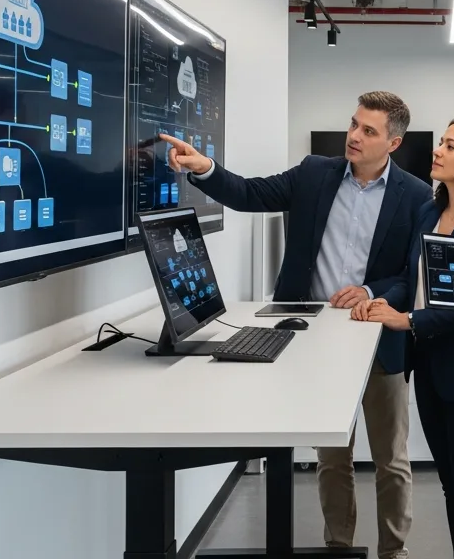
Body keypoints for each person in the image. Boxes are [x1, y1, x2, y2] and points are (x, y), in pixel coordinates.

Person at [160, 91, 428, 559]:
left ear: (394, 142)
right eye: (353, 124)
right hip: (314, 339)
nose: (354, 136)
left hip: (378, 339)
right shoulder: (314, 174)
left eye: (368, 131)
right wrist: (204, 167)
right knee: (332, 458)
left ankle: (393, 551)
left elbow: (411, 274)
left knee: (391, 459)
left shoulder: (416, 195)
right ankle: (338, 546)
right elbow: (250, 193)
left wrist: (370, 292)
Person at [358, 116, 454, 559]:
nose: (438, 151)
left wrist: (407, 321)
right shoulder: (429, 211)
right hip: (428, 369)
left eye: (450, 146)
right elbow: (413, 281)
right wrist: (378, 299)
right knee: (452, 487)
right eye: (442, 143)